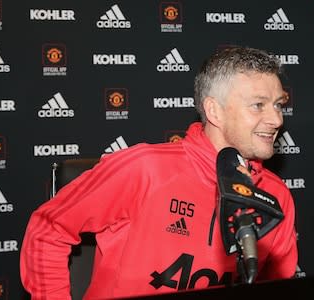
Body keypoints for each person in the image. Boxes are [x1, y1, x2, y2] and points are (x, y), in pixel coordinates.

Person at [20, 46, 298, 299]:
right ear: (214, 111)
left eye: (278, 105)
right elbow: (48, 228)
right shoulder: (145, 168)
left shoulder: (276, 195)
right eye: (258, 105)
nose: (276, 120)